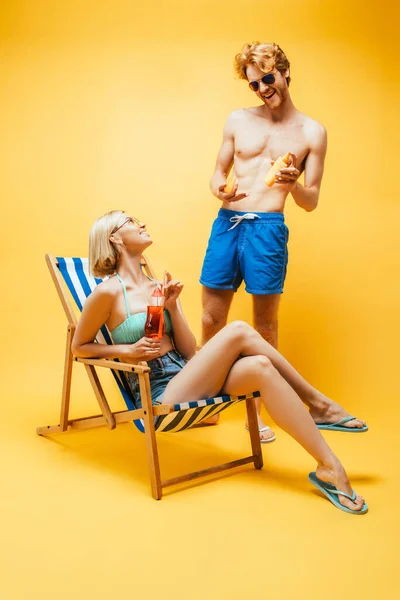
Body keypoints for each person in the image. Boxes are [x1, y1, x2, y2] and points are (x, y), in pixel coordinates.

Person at [72, 210, 368, 514]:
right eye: (132, 221)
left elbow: (188, 352)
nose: (142, 223)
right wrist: (129, 350)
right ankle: (319, 404)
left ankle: (328, 466)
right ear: (114, 237)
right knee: (240, 329)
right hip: (160, 393)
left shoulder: (156, 287)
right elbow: (78, 347)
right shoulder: (107, 292)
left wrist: (172, 308)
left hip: (187, 374)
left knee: (260, 368)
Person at [200, 42, 334, 441]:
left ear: (286, 72)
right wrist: (218, 191)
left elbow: (311, 201)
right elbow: (216, 172)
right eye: (254, 83)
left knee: (265, 327)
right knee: (210, 319)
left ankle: (254, 413)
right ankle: (207, 401)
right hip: (228, 223)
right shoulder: (237, 120)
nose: (262, 89)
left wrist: (293, 186)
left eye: (268, 79)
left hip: (269, 228)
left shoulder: (312, 132)